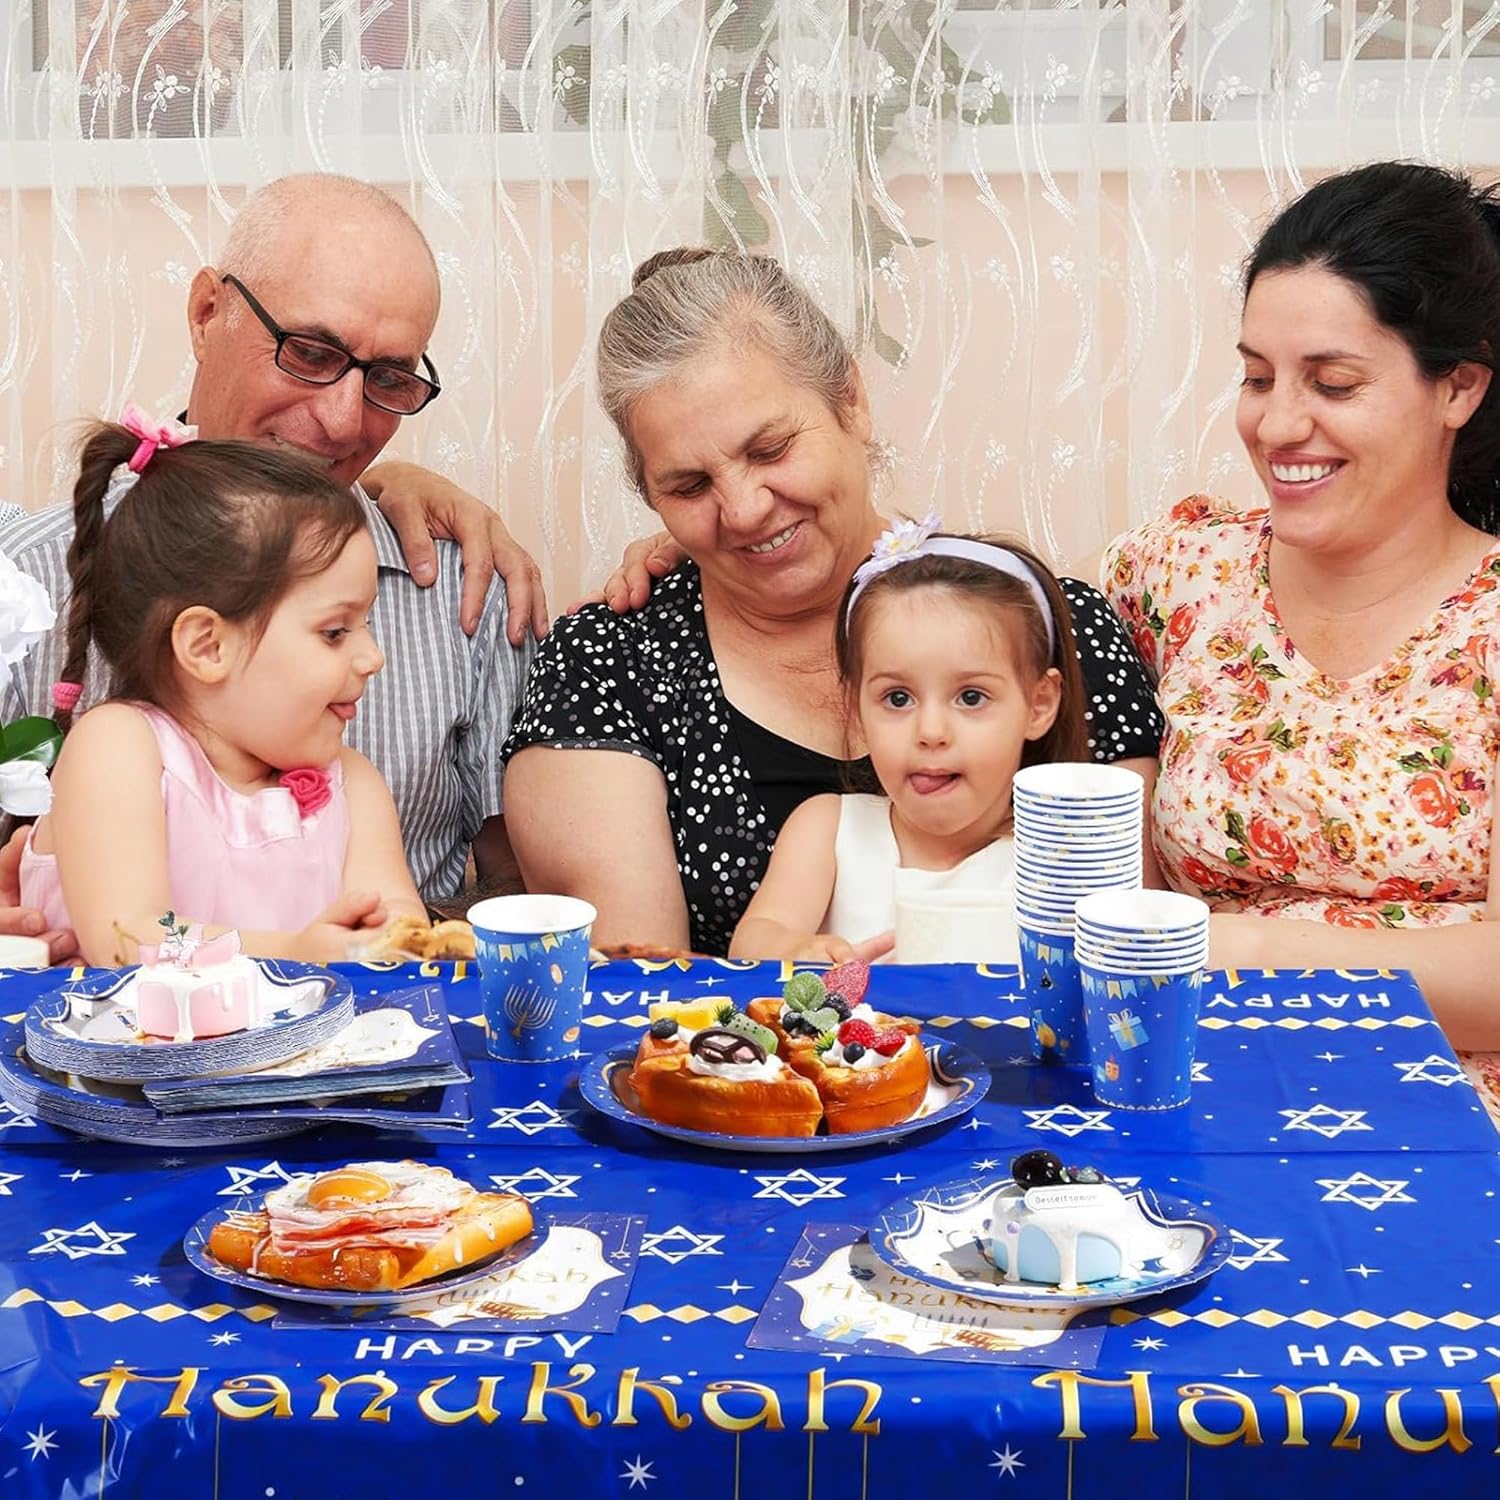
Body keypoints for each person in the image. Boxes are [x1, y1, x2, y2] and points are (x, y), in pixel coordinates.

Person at [503, 248, 1164, 957]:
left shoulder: (1054, 627)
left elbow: (1125, 949)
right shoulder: (610, 661)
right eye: (689, 487)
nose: (744, 509)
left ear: (851, 400)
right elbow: (637, 986)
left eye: (770, 449)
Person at [0, 173, 539, 958]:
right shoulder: (26, 586)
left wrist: (401, 941)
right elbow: (131, 932)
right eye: (310, 353)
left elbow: (498, 899)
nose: (343, 421)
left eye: (389, 379)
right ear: (206, 313)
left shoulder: (464, 589)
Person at [1101, 160, 1500, 1066]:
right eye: (1257, 378)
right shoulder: (1182, 574)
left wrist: (1239, 949)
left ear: (1458, 389)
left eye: (1333, 384)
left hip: (1443, 1119)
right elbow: (977, 615)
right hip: (1193, 1089)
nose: (1277, 426)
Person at [20, 417, 425, 964]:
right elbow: (129, 935)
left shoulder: (352, 785)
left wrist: (389, 938)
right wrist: (293, 952)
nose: (373, 658)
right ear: (208, 646)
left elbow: (397, 922)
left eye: (366, 624)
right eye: (335, 631)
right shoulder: (118, 748)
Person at [730, 521, 1088, 961]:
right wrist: (798, 951)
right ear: (856, 708)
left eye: (971, 697)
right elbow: (755, 942)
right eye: (897, 698)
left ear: (1038, 704)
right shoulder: (828, 832)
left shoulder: (1062, 858)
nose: (931, 732)